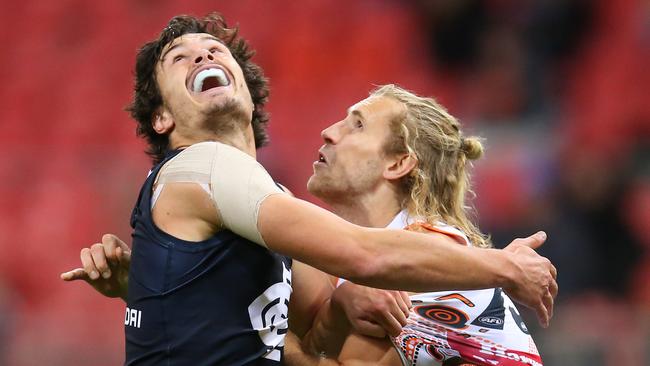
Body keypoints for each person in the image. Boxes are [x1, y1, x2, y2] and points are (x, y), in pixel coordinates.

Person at [60, 13, 556, 365]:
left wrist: (154, 291)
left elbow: (307, 339)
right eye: (179, 58)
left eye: (214, 50)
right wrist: (504, 266)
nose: (329, 132)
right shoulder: (203, 166)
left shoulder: (267, 204)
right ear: (162, 117)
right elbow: (361, 259)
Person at [283, 85, 544, 365]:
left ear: (398, 163)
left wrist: (269, 340)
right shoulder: (350, 266)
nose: (329, 132)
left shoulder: (431, 251)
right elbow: (319, 349)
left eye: (358, 125)